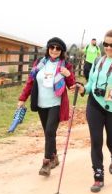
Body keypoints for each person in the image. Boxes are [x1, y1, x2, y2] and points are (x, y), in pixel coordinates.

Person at [77, 29, 112, 193]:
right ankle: (98, 175)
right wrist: (83, 89)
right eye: (105, 44)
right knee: (96, 140)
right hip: (94, 104)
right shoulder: (97, 62)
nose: (108, 48)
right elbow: (91, 83)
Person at [18, 37, 76, 176]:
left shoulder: (65, 65)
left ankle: (46, 163)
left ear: (62, 51)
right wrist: (22, 98)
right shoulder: (39, 63)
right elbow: (30, 82)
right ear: (48, 48)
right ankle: (54, 157)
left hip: (56, 104)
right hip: (41, 104)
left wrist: (69, 75)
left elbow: (72, 86)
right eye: (52, 47)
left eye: (58, 48)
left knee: (50, 131)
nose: (54, 50)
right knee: (48, 133)